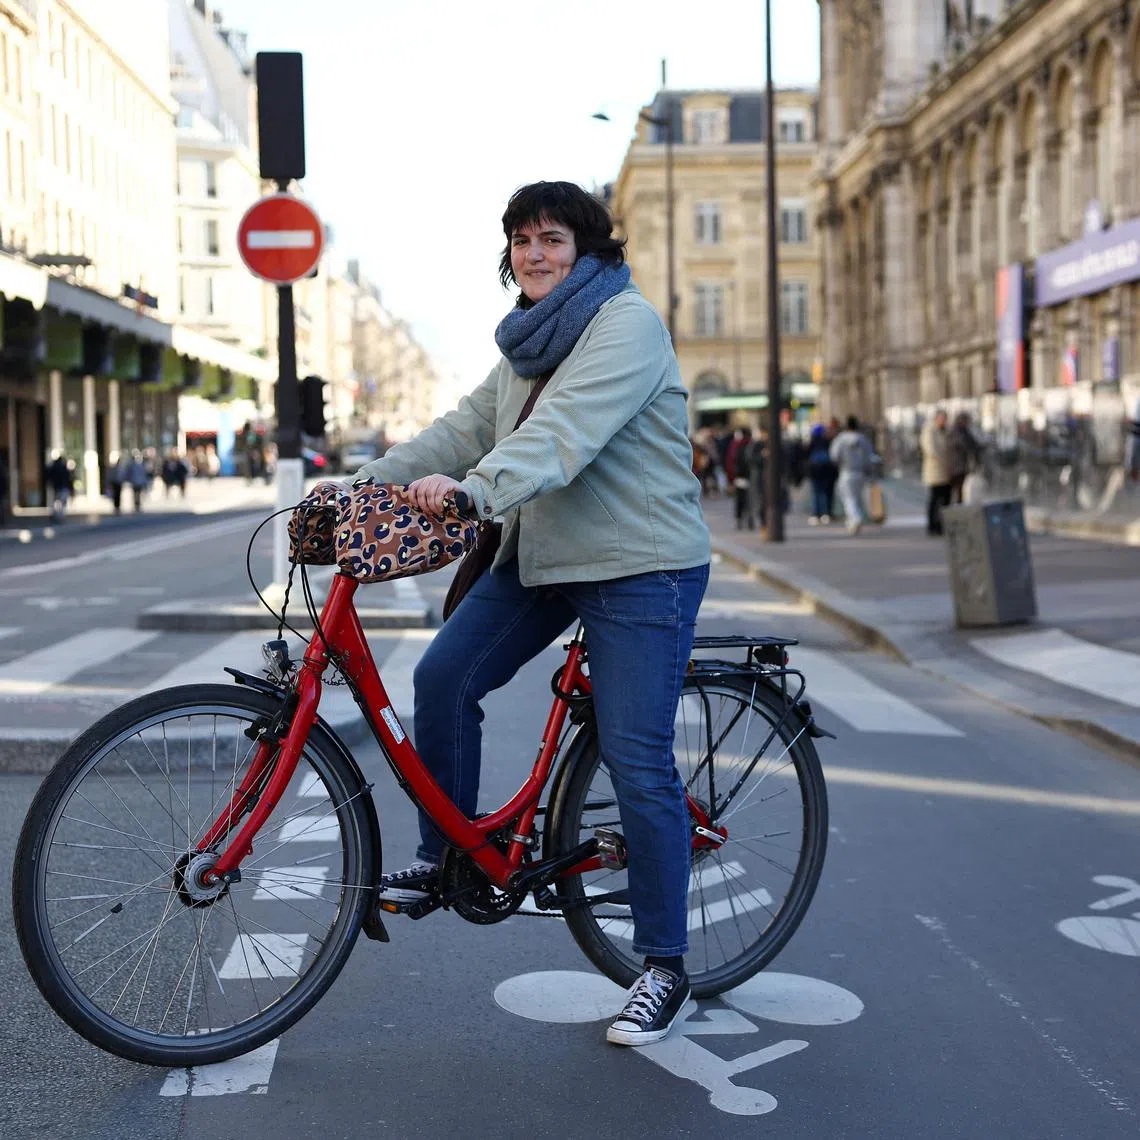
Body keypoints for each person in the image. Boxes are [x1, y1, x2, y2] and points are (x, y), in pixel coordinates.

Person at [355, 181, 711, 1047]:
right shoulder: (526, 343)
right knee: (443, 677)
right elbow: (466, 425)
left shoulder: (624, 324)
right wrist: (366, 485)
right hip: (547, 558)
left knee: (635, 759)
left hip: (639, 564)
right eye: (520, 241)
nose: (534, 253)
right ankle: (450, 858)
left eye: (551, 238)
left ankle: (662, 965)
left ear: (587, 250)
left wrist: (475, 493)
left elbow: (563, 437)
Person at [829, 415, 875, 535]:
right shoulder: (863, 439)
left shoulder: (841, 439)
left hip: (846, 472)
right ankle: (854, 519)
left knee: (849, 498)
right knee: (857, 498)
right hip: (860, 473)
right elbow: (870, 457)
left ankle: (855, 518)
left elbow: (834, 455)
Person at [921, 408, 952, 536]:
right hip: (935, 471)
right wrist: (944, 459)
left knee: (946, 499)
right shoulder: (929, 431)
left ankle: (942, 524)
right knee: (935, 499)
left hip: (946, 471)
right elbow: (931, 450)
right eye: (942, 418)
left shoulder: (945, 431)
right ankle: (932, 525)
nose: (944, 421)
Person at [946, 411, 981, 504]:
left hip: (962, 466)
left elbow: (973, 444)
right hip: (955, 466)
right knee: (955, 491)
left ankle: (958, 509)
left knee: (960, 491)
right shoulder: (955, 431)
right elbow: (963, 444)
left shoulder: (964, 431)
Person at [806, 423, 836, 524]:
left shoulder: (812, 442)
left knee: (816, 493)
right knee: (825, 492)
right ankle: (826, 513)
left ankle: (816, 514)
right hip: (826, 471)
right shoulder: (828, 441)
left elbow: (806, 455)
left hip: (815, 471)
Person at [726, 427, 755, 529]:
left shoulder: (736, 446)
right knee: (750, 500)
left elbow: (730, 463)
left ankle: (740, 521)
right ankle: (750, 520)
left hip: (739, 477)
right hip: (751, 478)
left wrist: (731, 479)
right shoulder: (752, 445)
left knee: (740, 500)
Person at [45, 451, 73, 521]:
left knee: (56, 501)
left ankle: (56, 514)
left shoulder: (53, 466)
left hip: (57, 486)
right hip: (63, 487)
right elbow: (68, 478)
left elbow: (49, 475)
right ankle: (60, 515)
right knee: (62, 502)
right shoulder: (64, 468)